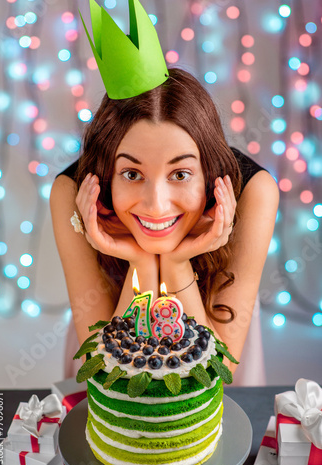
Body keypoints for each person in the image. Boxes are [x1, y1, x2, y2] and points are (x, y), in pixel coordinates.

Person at [50, 67, 279, 384]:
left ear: (208, 173)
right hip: (113, 326)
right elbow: (103, 370)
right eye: (132, 174)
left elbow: (219, 370)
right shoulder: (73, 193)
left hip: (217, 330)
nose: (156, 205)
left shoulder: (254, 191)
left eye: (180, 174)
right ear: (106, 176)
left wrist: (176, 263)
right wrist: (141, 263)